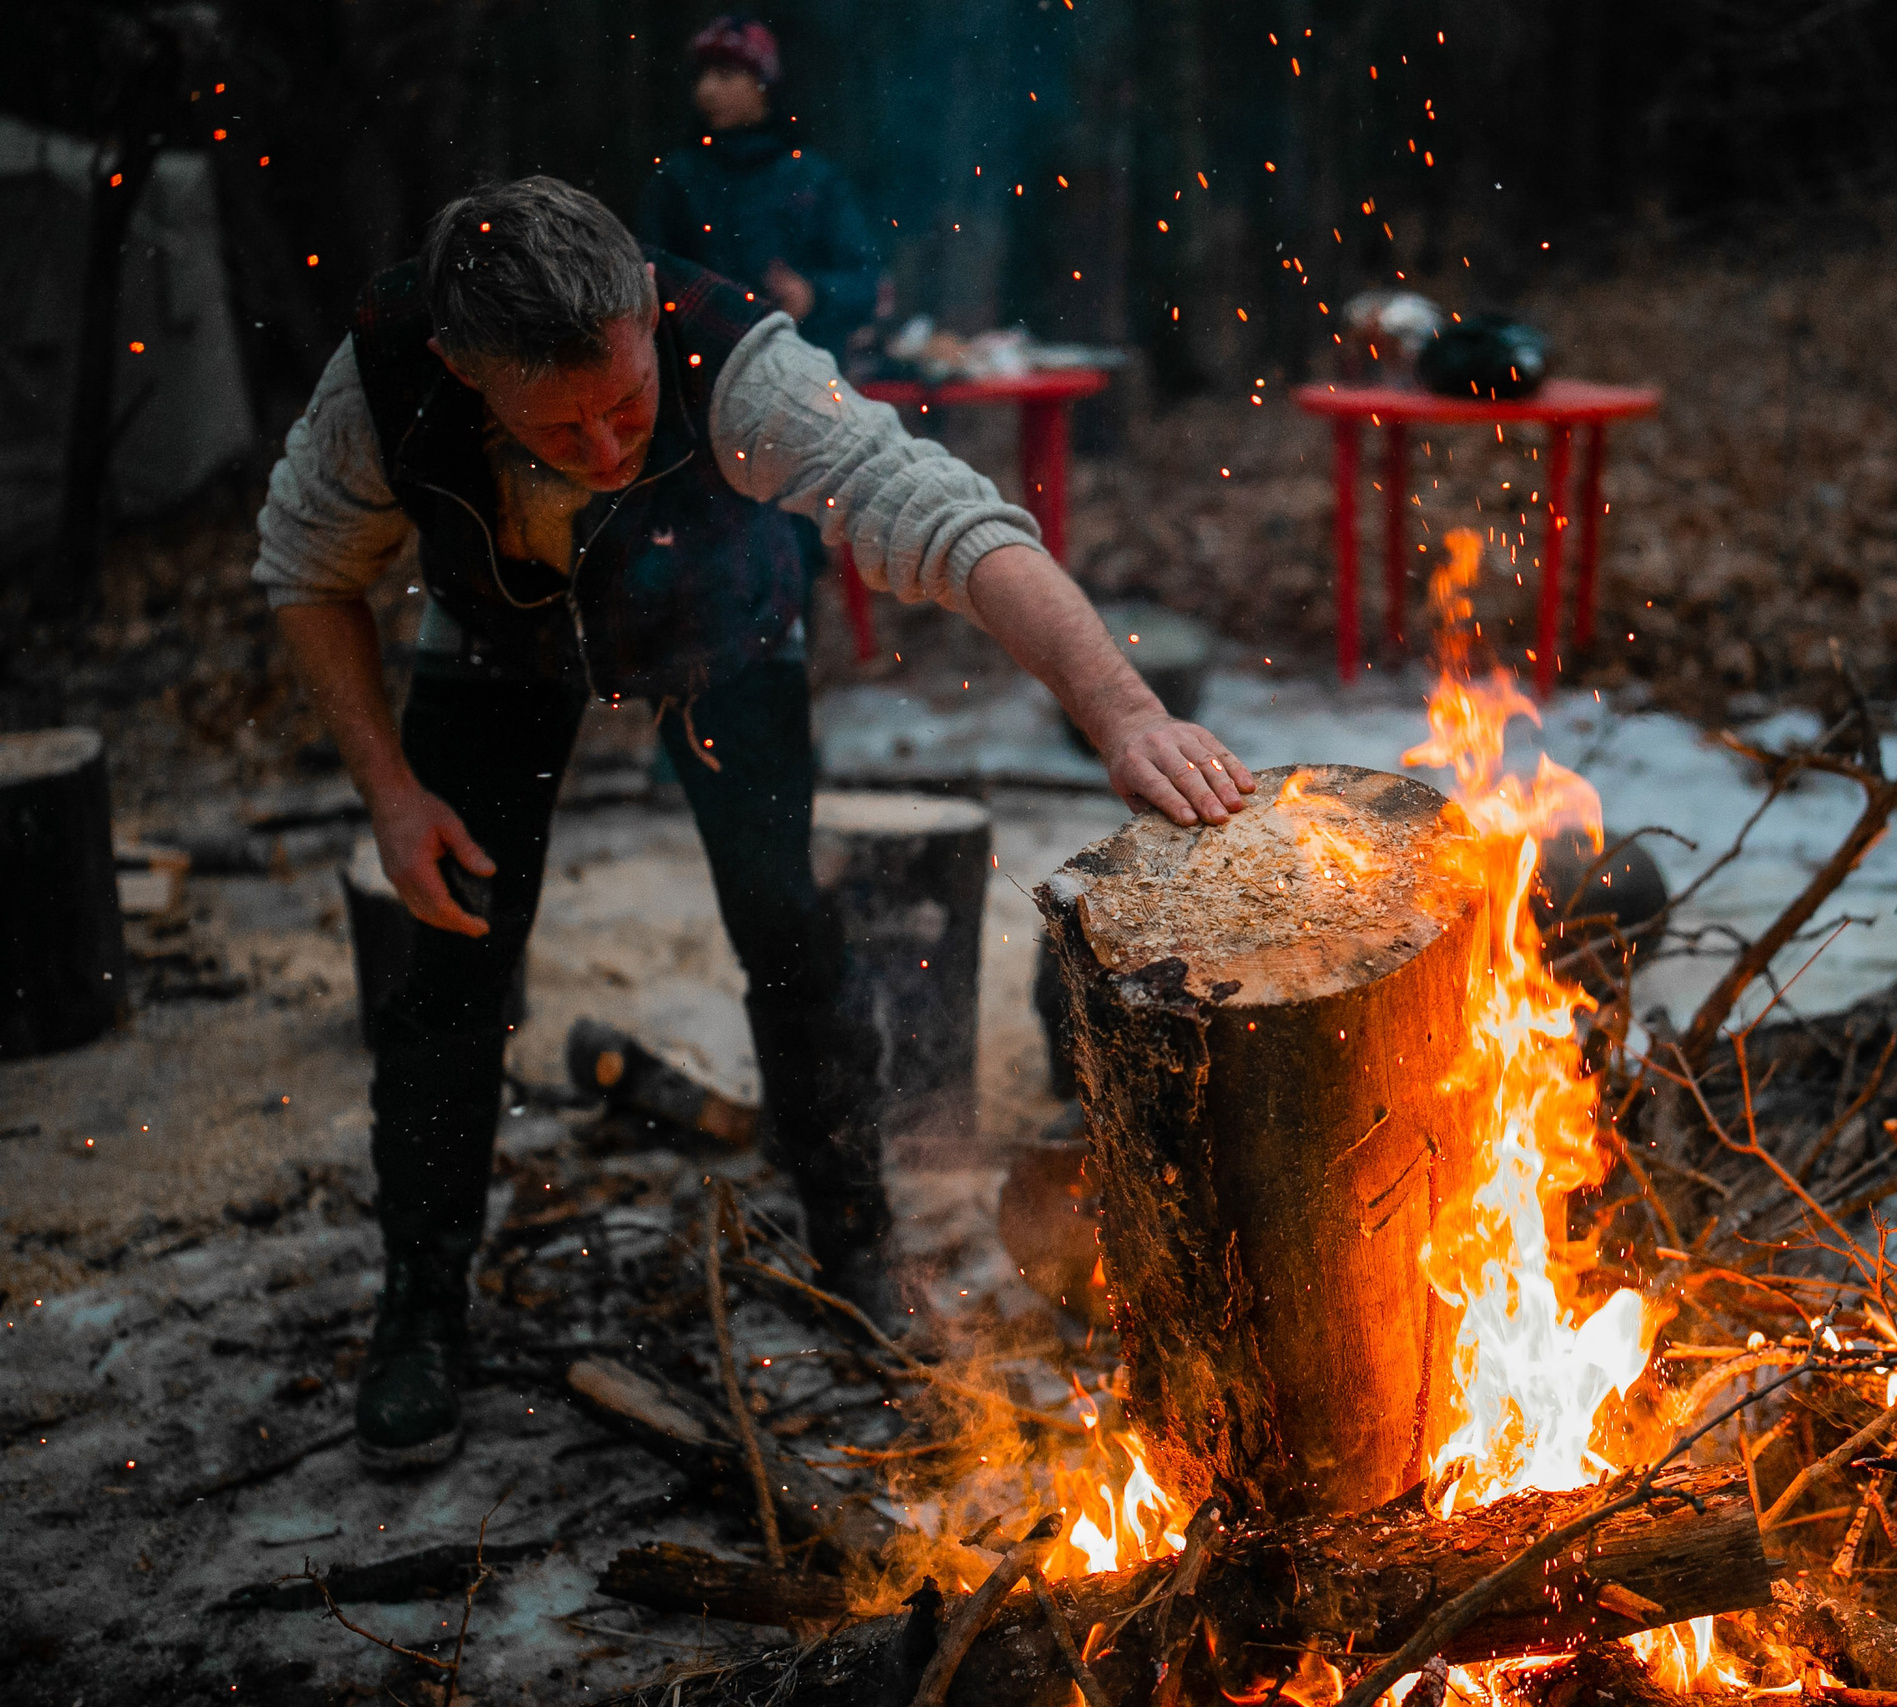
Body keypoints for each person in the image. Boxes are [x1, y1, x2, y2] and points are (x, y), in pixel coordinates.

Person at [255, 176, 1253, 1471]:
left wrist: (1120, 711)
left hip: (721, 624)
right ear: (463, 366)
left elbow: (950, 517)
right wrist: (391, 791)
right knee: (449, 960)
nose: (613, 450)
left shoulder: (728, 352)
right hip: (493, 642)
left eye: (628, 406)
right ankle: (421, 1306)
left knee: (786, 917)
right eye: (567, 426)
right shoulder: (385, 375)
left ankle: (855, 1247)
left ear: (641, 314)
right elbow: (305, 566)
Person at [636, 16, 885, 364]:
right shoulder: (678, 180)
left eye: (725, 76)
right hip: (702, 376)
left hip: (804, 369)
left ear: (763, 84)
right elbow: (648, 280)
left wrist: (812, 295)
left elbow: (866, 283)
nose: (707, 90)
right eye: (701, 77)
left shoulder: (813, 178)